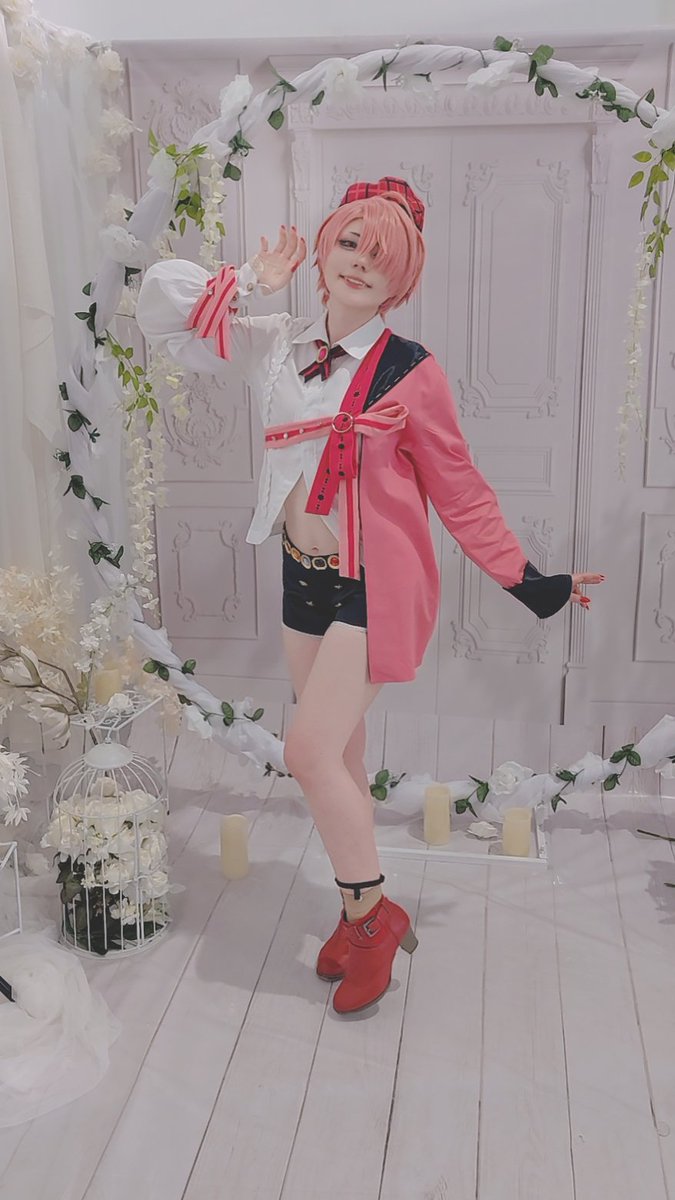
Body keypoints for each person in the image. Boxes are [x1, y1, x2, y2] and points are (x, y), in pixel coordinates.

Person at [136, 176, 605, 1015]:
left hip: (376, 586)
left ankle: (370, 920)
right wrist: (248, 282)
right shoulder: (275, 342)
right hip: (300, 577)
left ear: (402, 278)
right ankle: (366, 913)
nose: (359, 263)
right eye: (349, 243)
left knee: (308, 754)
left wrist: (528, 581)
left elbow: (459, 490)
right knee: (340, 761)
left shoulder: (410, 372)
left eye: (380, 256)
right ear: (323, 251)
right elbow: (165, 316)